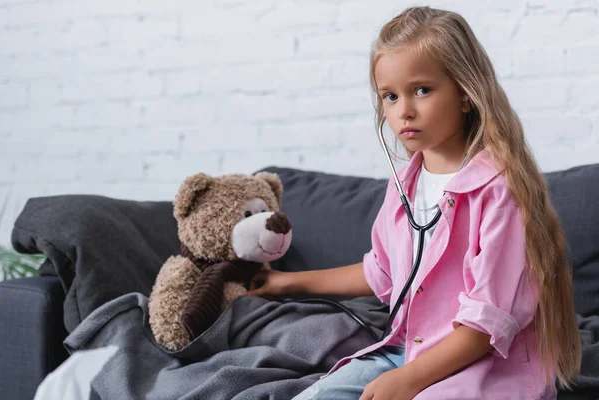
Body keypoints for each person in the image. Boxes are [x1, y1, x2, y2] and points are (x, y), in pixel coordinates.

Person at [247, 6, 581, 400]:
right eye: (390, 96)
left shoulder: (501, 192)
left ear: (465, 94)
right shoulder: (405, 184)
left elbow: (483, 327)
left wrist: (407, 381)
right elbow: (382, 273)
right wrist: (286, 283)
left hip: (484, 364)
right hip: (409, 351)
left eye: (422, 90)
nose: (404, 109)